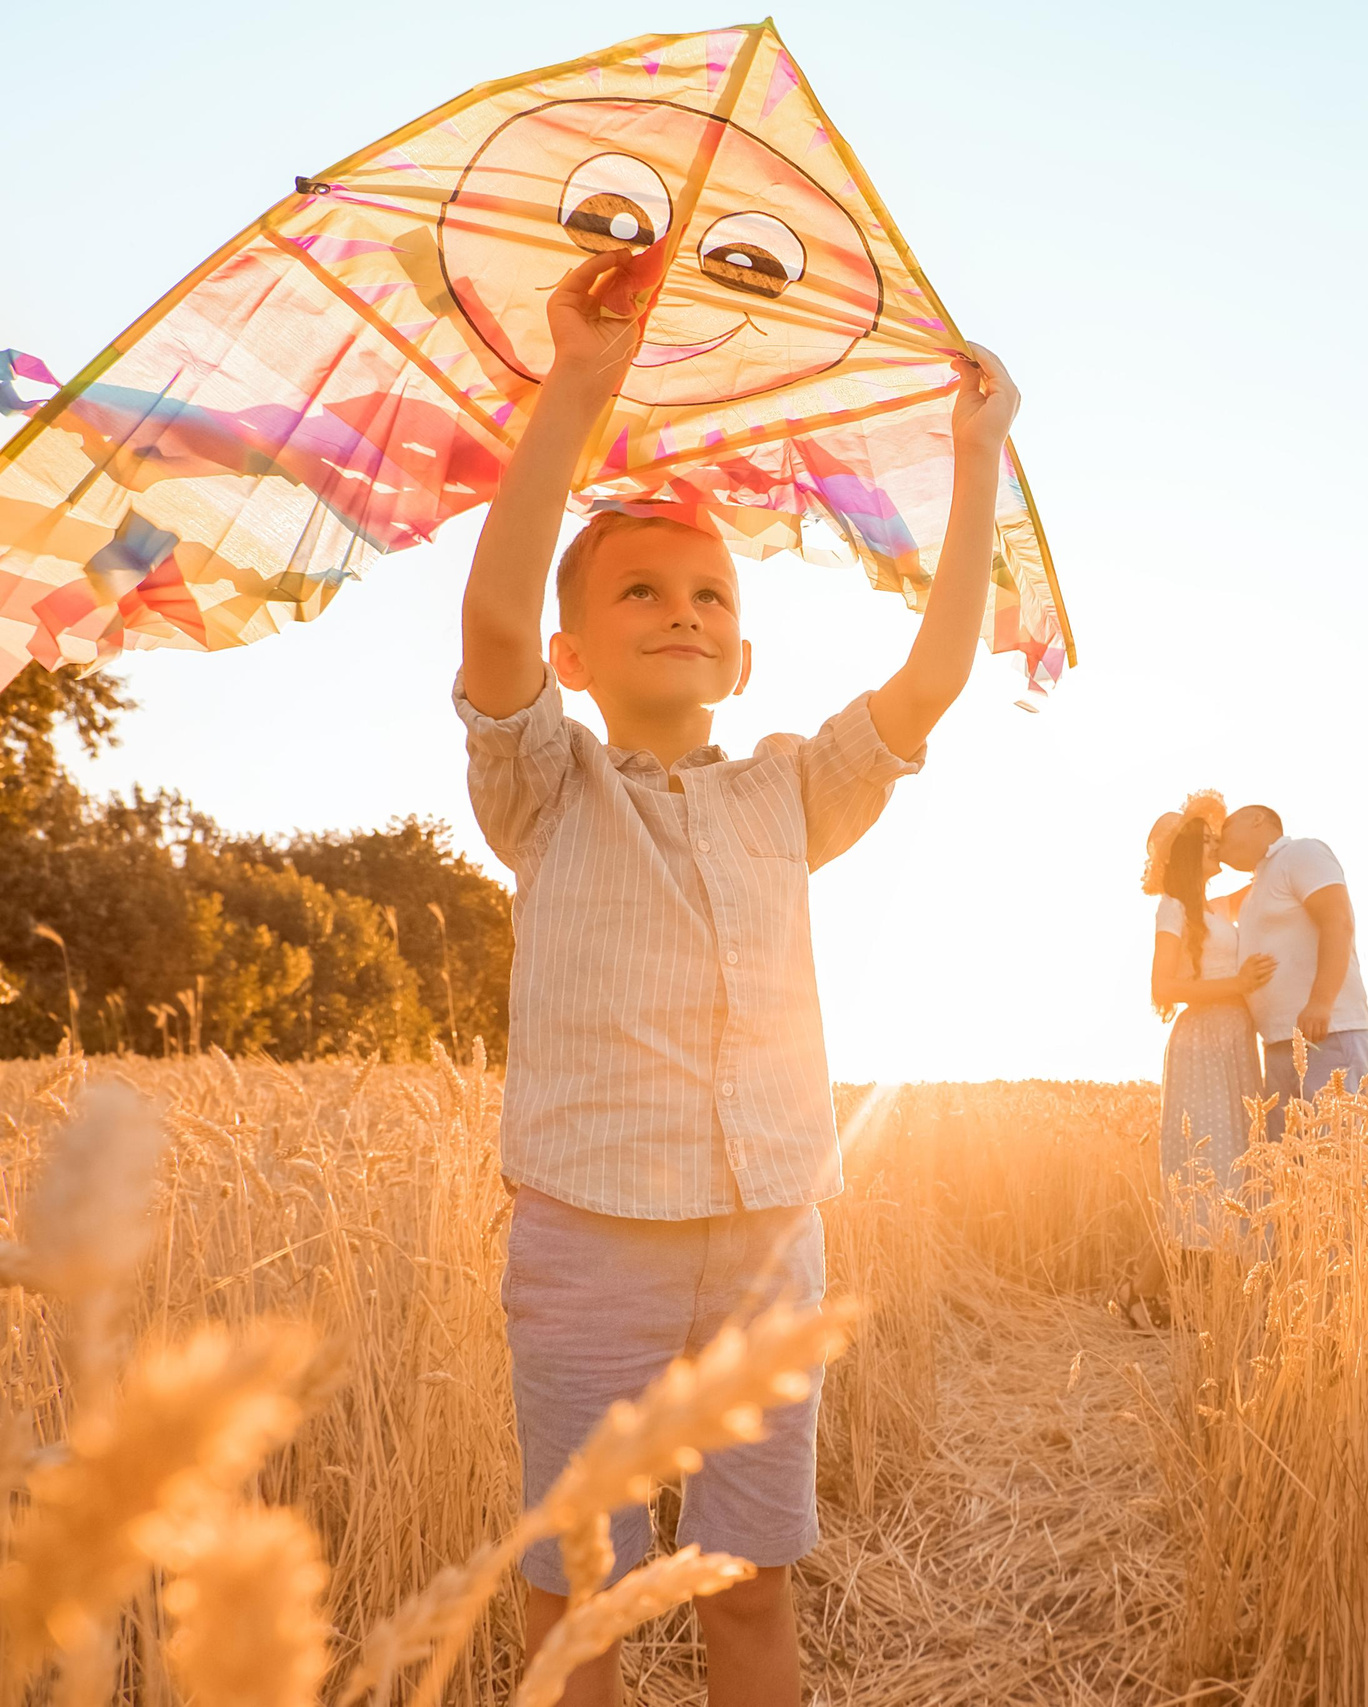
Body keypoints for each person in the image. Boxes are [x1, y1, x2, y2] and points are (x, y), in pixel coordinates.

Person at [456, 243, 1019, 1707]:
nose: (682, 609)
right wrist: (582, 382)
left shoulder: (791, 791)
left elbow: (933, 679)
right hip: (590, 1235)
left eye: (707, 591)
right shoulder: (546, 787)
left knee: (749, 1580)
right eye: (640, 590)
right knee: (578, 1585)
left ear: (746, 652)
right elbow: (498, 621)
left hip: (774, 1234)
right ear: (577, 654)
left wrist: (978, 459)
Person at [1122, 792, 1273, 1323]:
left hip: (1235, 1042)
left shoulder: (1216, 908)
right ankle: (1142, 1295)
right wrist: (1236, 983)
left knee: (1236, 1173)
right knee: (1204, 1178)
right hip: (1202, 1046)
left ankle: (1151, 1295)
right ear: (1187, 854)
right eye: (1207, 843)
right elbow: (1163, 987)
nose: (1216, 849)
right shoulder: (1173, 909)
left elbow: (1267, 882)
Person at [1218, 804, 1368, 1138]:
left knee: (1335, 1160)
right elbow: (1195, 911)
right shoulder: (1259, 882)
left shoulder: (1301, 853)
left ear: (1257, 819)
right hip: (1277, 1042)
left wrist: (1321, 1001)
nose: (1218, 840)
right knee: (1292, 1173)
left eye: (1225, 829)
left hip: (1325, 1034)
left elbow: (1338, 920)